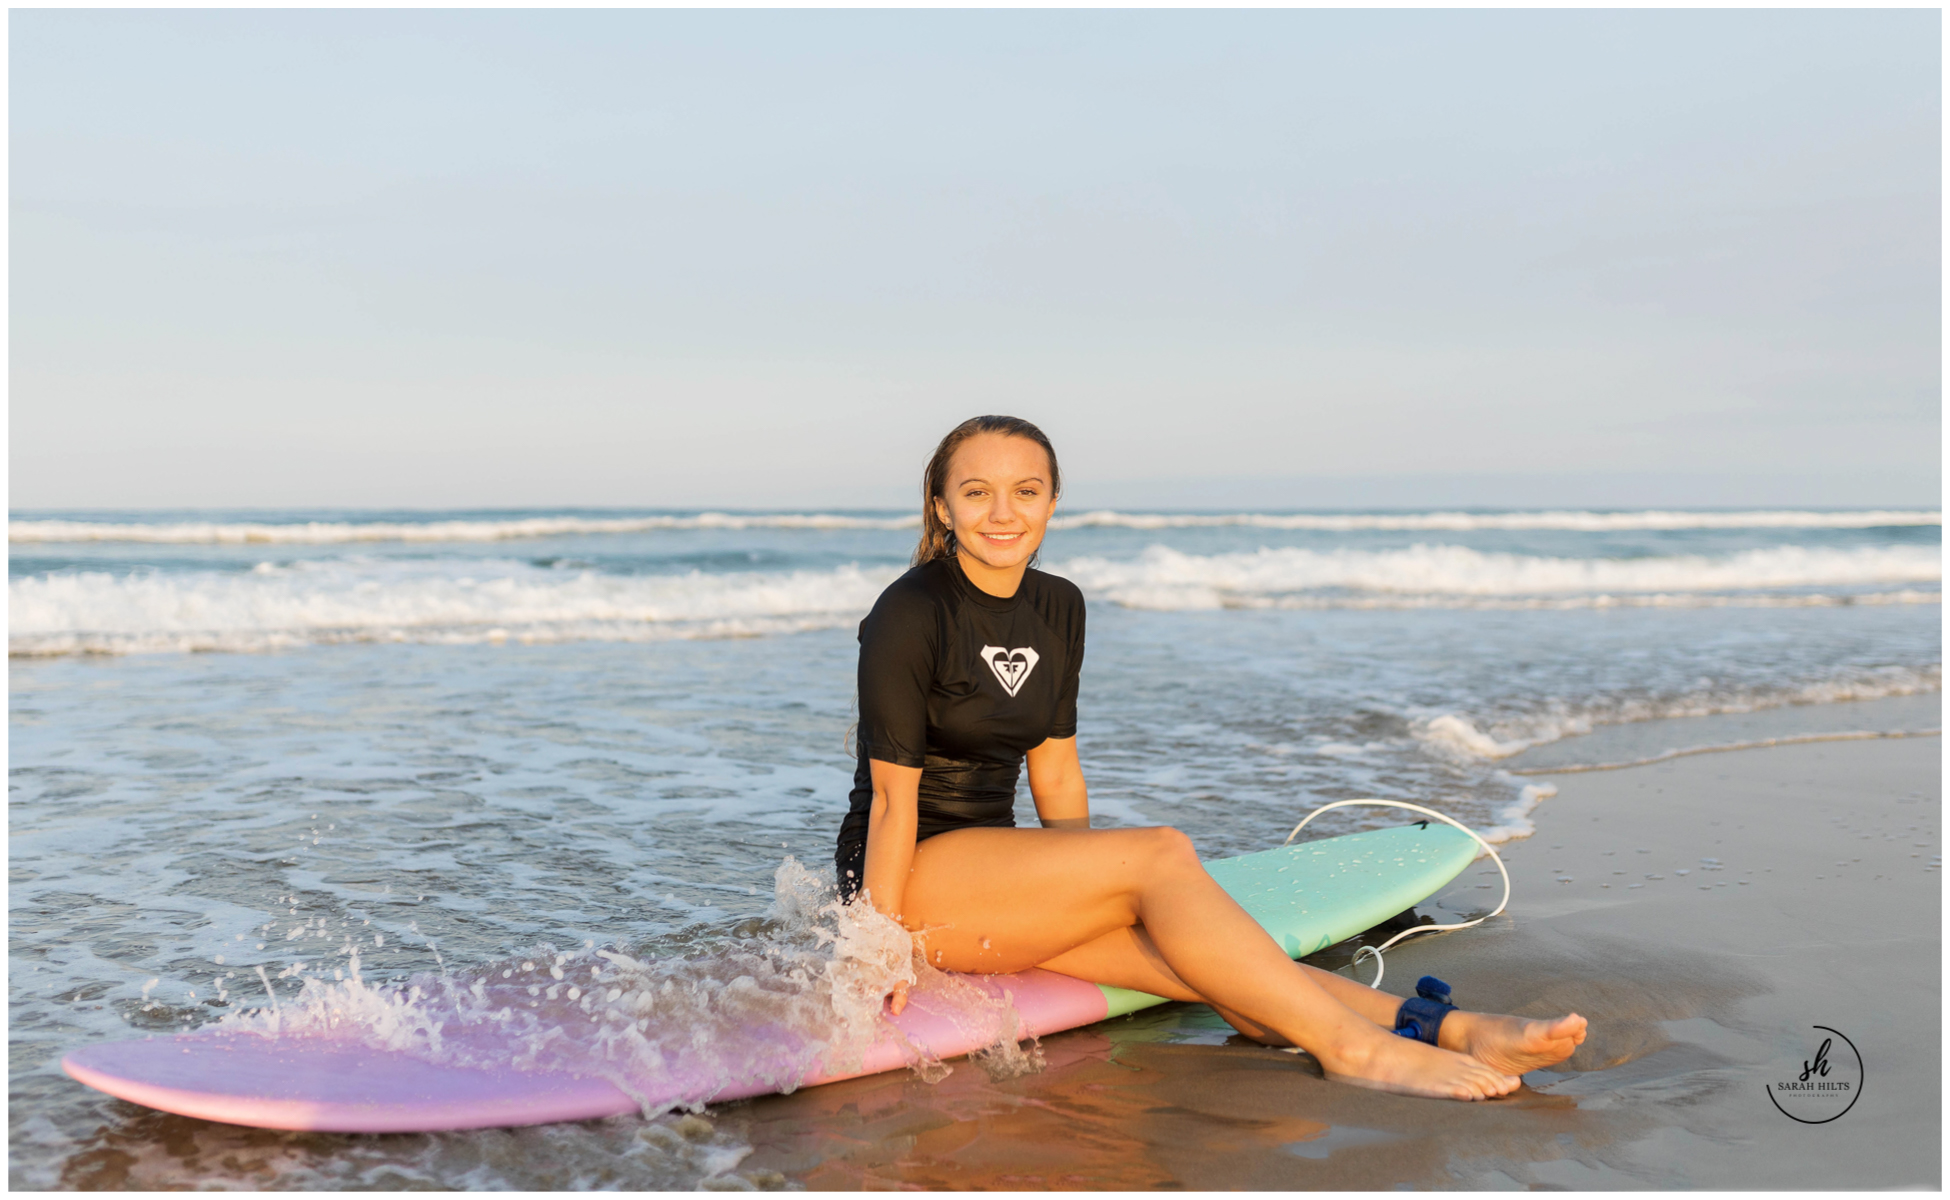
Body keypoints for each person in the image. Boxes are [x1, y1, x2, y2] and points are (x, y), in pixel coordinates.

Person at [834, 415, 1587, 1101]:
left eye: (1025, 491)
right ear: (941, 506)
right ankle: (1355, 1050)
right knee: (1163, 856)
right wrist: (881, 944)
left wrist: (1079, 886)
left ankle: (1445, 1026)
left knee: (1201, 957)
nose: (1004, 513)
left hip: (994, 874)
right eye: (977, 492)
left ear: (1053, 501)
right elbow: (896, 804)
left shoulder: (1058, 604)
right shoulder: (910, 613)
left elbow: (1056, 769)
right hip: (908, 873)